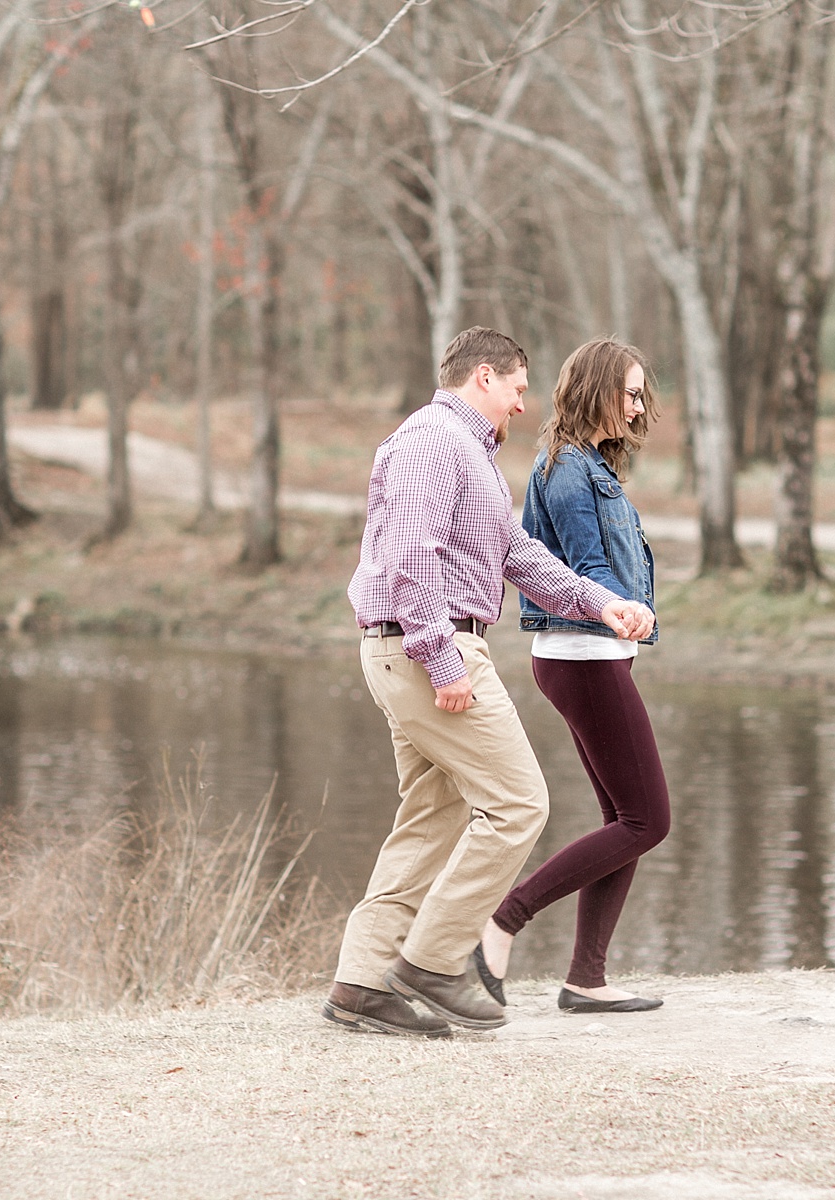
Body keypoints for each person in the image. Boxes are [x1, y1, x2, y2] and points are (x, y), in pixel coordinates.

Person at [324, 327, 655, 1039]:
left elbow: (518, 555)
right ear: (483, 376)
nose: (522, 402)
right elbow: (411, 558)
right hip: (429, 648)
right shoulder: (432, 443)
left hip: (417, 647)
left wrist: (603, 603)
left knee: (431, 819)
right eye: (517, 387)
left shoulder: (468, 453)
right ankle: (434, 963)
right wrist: (443, 663)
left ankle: (360, 984)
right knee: (517, 804)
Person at [475, 337, 670, 1015]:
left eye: (643, 393)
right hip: (582, 659)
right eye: (632, 392)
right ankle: (504, 919)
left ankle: (587, 977)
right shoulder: (567, 471)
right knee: (648, 820)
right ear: (598, 389)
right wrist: (628, 609)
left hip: (592, 658)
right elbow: (586, 570)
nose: (640, 405)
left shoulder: (587, 465)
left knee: (625, 817)